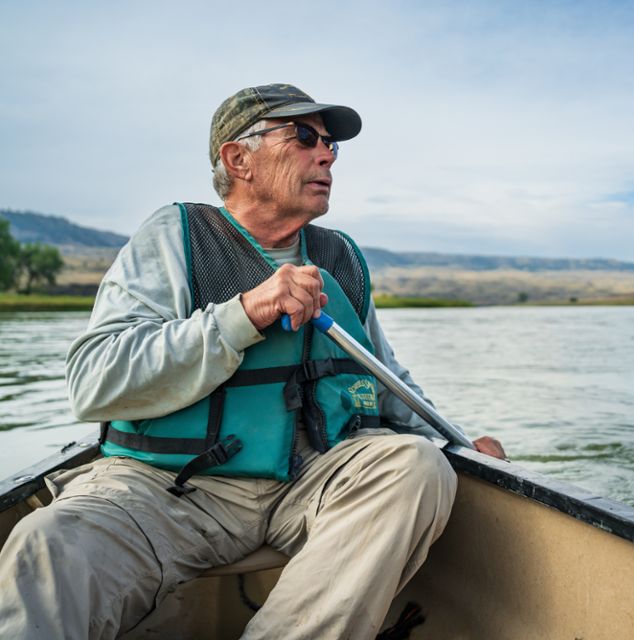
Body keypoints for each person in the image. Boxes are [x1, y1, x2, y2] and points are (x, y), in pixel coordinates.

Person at [0, 83, 505, 639]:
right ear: (239, 158)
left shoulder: (341, 259)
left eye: (332, 145)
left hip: (309, 480)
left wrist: (455, 440)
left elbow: (385, 380)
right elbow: (94, 382)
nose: (327, 155)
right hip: (170, 486)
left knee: (415, 466)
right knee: (45, 544)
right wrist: (245, 312)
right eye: (306, 137)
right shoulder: (175, 237)